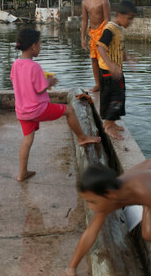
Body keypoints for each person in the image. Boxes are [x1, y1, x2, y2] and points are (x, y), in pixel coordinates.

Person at [11, 28, 101, 181]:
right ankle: (82, 137)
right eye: (40, 45)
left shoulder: (16, 64)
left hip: (22, 111)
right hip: (37, 109)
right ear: (33, 46)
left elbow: (16, 81)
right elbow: (40, 89)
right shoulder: (35, 67)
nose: (40, 47)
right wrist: (49, 82)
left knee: (27, 140)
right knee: (69, 110)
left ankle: (22, 173)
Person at [96, 0, 137, 140]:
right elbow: (100, 47)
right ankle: (108, 125)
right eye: (129, 18)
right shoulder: (110, 29)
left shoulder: (118, 29)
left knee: (119, 96)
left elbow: (120, 48)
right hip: (109, 71)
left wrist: (128, 59)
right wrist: (111, 65)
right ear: (119, 15)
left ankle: (111, 122)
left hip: (116, 71)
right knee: (115, 98)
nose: (130, 22)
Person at [81, 0, 110, 93]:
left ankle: (107, 84)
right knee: (94, 60)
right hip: (92, 34)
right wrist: (82, 37)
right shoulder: (85, 2)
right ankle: (98, 84)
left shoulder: (103, 0)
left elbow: (107, 19)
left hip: (102, 31)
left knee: (104, 60)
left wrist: (106, 35)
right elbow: (84, 20)